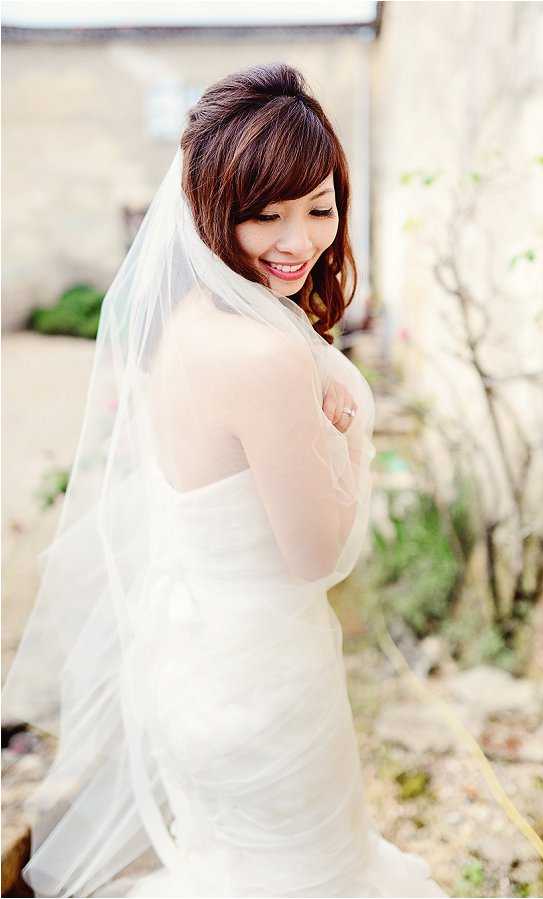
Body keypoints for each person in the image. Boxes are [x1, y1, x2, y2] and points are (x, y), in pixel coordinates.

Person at [2, 62, 447, 898]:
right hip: (263, 693)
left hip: (188, 668)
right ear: (212, 208)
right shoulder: (268, 351)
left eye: (320, 207)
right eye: (264, 214)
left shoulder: (185, 321)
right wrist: (349, 442)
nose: (300, 239)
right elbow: (318, 556)